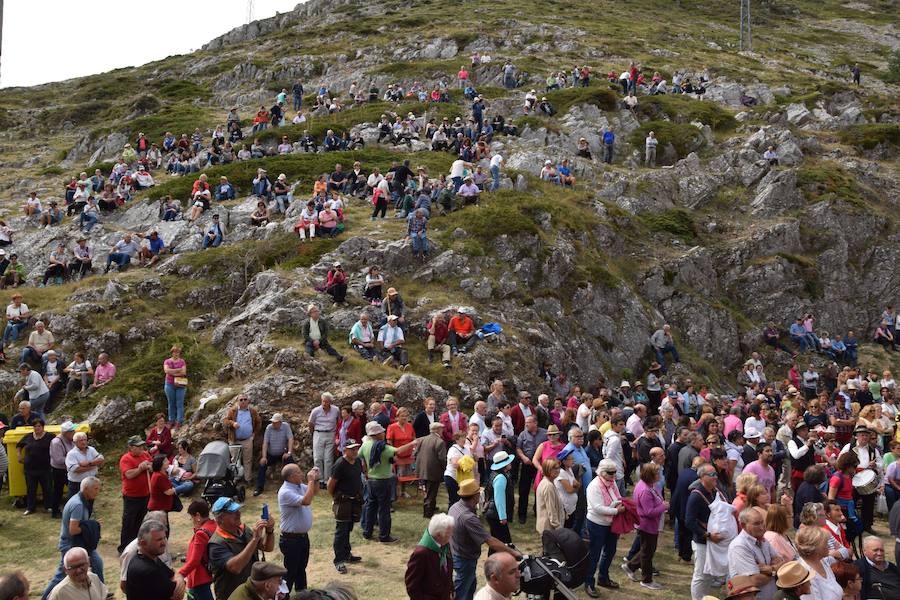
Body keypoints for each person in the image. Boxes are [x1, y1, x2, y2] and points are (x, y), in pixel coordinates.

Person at [449, 478, 522, 600]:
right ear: (475, 496)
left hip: (458, 554)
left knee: (469, 590)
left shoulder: (455, 507)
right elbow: (490, 541)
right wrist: (513, 552)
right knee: (461, 594)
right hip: (465, 560)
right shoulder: (468, 517)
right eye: (479, 493)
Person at [359, 421, 418, 543]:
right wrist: (412, 443)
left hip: (370, 480)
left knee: (371, 507)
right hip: (383, 481)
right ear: (376, 434)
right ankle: (384, 535)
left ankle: (367, 532)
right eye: (381, 431)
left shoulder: (365, 445)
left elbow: (361, 457)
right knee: (384, 509)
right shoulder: (383, 447)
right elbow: (398, 451)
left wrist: (365, 471)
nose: (384, 432)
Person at [206, 496, 274, 600]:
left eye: (238, 510)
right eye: (232, 512)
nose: (238, 514)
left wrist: (269, 531)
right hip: (232, 595)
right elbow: (235, 568)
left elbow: (267, 547)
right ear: (220, 519)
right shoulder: (216, 544)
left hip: (252, 592)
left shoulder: (244, 529)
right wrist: (254, 539)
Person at [623, 462, 668, 590]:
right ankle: (646, 580)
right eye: (657, 473)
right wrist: (663, 507)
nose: (660, 475)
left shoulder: (648, 485)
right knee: (647, 553)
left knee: (647, 549)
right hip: (647, 525)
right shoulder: (645, 490)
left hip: (650, 525)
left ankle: (631, 566)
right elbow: (648, 512)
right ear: (650, 475)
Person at [584, 458, 626, 596]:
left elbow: (618, 496)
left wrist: (620, 504)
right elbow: (597, 507)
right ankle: (589, 583)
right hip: (597, 524)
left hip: (611, 523)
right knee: (594, 554)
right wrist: (616, 511)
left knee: (610, 551)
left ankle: (603, 577)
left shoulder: (612, 482)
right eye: (610, 473)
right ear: (602, 472)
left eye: (615, 472)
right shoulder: (593, 486)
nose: (614, 475)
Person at [278, 464, 318, 594]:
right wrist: (311, 480)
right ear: (291, 476)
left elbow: (314, 492)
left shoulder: (299, 486)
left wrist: (315, 480)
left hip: (302, 537)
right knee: (290, 572)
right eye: (299, 472)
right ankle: (283, 596)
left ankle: (303, 595)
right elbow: (306, 501)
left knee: (301, 569)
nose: (302, 474)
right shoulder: (285, 492)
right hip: (291, 540)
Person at [686, 463, 723, 600]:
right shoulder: (696, 496)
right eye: (712, 475)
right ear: (702, 477)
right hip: (702, 541)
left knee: (709, 574)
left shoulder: (714, 491)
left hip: (712, 540)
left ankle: (704, 598)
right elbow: (689, 521)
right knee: (700, 575)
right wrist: (706, 534)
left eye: (716, 474)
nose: (715, 477)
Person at [728, 509, 783, 600]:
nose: (762, 527)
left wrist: (770, 569)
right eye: (756, 524)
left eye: (762, 522)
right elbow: (754, 580)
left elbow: (780, 560)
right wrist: (774, 571)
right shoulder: (739, 546)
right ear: (743, 525)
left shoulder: (762, 539)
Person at [124, 520, 185, 600]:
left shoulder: (150, 557)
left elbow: (172, 574)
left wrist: (179, 579)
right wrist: (181, 581)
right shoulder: (148, 570)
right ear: (143, 543)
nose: (164, 543)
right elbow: (178, 596)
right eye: (159, 540)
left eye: (164, 538)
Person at [328, 438, 363, 574]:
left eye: (356, 448)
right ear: (345, 450)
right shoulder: (340, 464)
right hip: (343, 501)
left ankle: (347, 554)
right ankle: (339, 560)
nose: (355, 451)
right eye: (352, 449)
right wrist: (336, 499)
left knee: (348, 528)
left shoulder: (358, 461)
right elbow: (331, 485)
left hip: (354, 501)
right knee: (341, 531)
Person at [405, 514, 455, 600]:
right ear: (439, 535)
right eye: (449, 533)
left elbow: (447, 572)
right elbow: (412, 586)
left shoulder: (445, 545)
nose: (451, 536)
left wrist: (451, 589)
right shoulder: (421, 553)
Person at [177, 500, 216, 600]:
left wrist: (181, 574)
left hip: (199, 577)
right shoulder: (214, 525)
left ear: (197, 516)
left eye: (192, 517)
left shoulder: (201, 533)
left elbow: (195, 560)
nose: (192, 521)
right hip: (206, 574)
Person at [16, 417, 54, 515]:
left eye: (39, 426)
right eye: (35, 426)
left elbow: (56, 446)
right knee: (31, 489)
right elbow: (19, 445)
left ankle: (48, 506)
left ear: (43, 427)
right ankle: (30, 508)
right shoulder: (28, 436)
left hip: (45, 468)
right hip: (30, 469)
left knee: (47, 488)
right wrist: (19, 456)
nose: (37, 428)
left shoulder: (50, 436)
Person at [222, 395, 260, 486]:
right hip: (234, 440)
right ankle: (236, 478)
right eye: (241, 400)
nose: (243, 401)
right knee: (235, 460)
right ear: (237, 401)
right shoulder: (233, 410)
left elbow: (258, 422)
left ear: (248, 401)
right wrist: (233, 423)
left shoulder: (252, 411)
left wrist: (254, 433)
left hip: (247, 439)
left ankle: (248, 479)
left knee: (248, 460)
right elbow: (225, 421)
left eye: (245, 399)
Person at [795, 526, 842, 600]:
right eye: (826, 543)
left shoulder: (822, 561)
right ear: (817, 548)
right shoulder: (804, 573)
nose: (829, 546)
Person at [254, 413, 294, 496]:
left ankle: (289, 487)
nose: (273, 424)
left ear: (280, 422)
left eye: (275, 422)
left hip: (282, 453)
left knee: (291, 464)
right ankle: (259, 488)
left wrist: (289, 453)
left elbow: (290, 439)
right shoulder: (269, 428)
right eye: (272, 422)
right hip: (271, 454)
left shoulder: (286, 426)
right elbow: (265, 443)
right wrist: (264, 457)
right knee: (262, 464)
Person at [417, 422, 448, 518]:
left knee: (428, 490)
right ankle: (428, 512)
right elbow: (442, 458)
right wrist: (445, 468)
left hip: (422, 469)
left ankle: (431, 507)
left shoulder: (423, 439)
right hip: (433, 470)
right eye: (441, 429)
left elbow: (415, 453)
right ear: (437, 430)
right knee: (431, 492)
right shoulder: (439, 441)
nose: (442, 430)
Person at [309, 392, 339, 489]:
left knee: (328, 458)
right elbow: (310, 422)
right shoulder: (316, 411)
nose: (324, 403)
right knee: (318, 458)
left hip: (331, 433)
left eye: (326, 402)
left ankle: (327, 480)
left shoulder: (336, 410)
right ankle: (320, 479)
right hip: (319, 433)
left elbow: (339, 421)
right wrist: (313, 433)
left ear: (330, 402)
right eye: (323, 401)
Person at [48, 422, 76, 517]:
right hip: (59, 470)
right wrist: (74, 461)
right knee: (58, 490)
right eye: (72, 431)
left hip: (69, 469)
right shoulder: (56, 442)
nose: (74, 432)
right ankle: (55, 511)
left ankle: (74, 508)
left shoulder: (72, 440)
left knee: (74, 488)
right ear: (66, 433)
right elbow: (58, 459)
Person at [65, 431, 103, 498]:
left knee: (90, 501)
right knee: (77, 502)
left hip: (91, 482)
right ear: (75, 442)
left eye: (85, 440)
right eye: (81, 440)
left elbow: (101, 459)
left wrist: (89, 463)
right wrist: (93, 466)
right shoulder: (71, 454)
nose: (83, 442)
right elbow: (76, 469)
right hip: (77, 483)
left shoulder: (91, 449)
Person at [535, 458, 563, 533]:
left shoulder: (550, 482)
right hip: (549, 528)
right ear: (547, 469)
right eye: (554, 468)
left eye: (558, 468)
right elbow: (551, 509)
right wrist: (558, 527)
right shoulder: (548, 486)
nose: (558, 470)